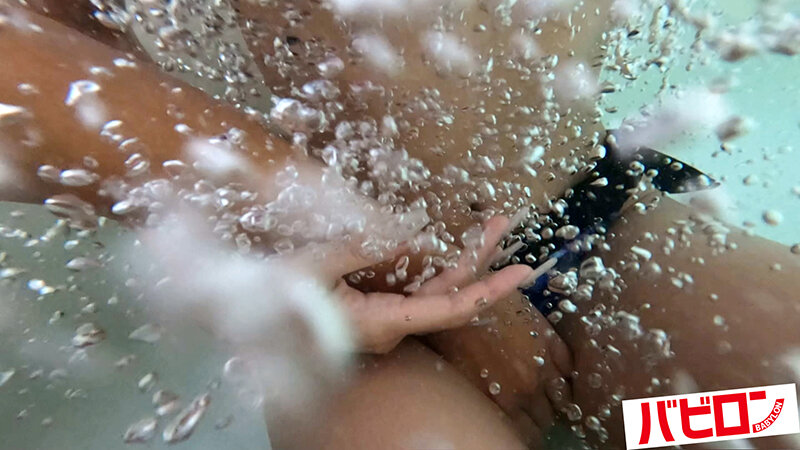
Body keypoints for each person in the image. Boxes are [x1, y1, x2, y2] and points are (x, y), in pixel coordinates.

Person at [1, 3, 799, 449]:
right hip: (344, 318)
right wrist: (382, 267)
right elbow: (33, 64)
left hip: (589, 222)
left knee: (775, 410)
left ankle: (638, 429)